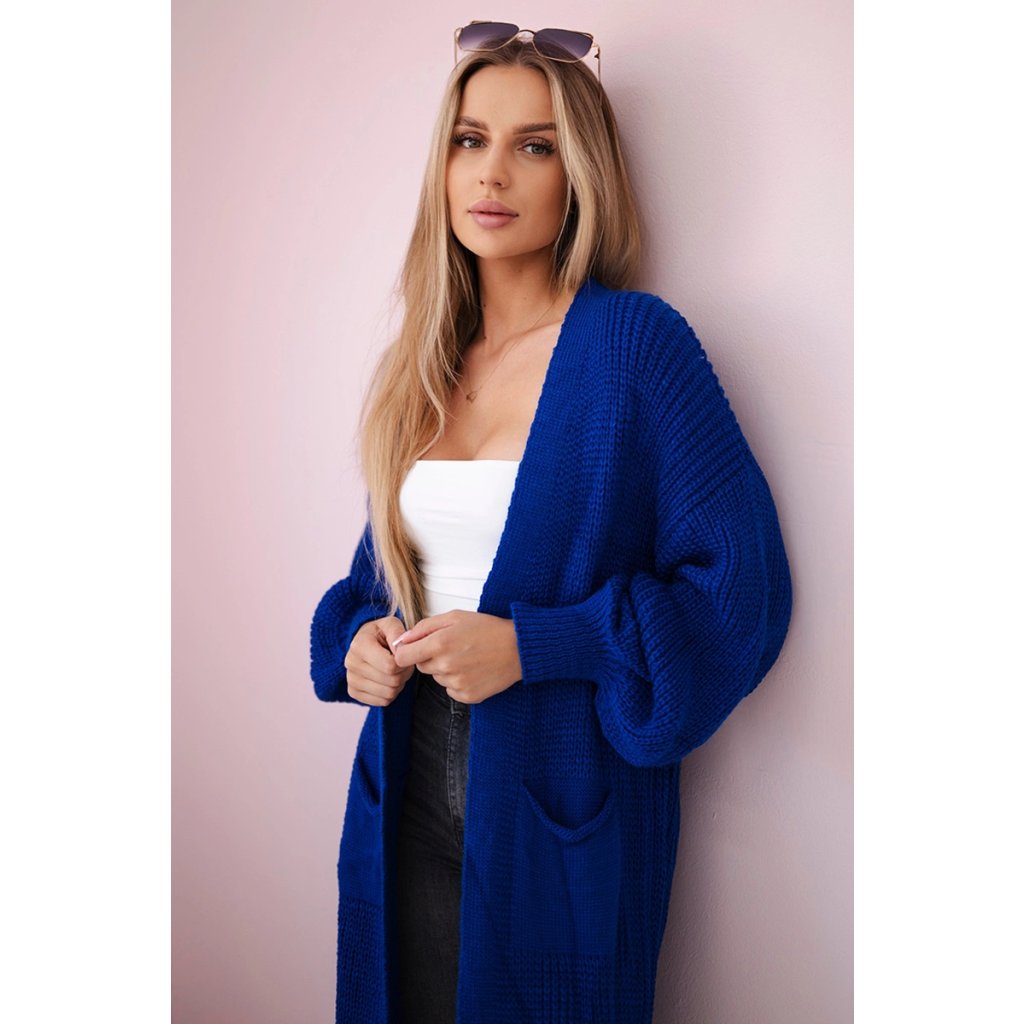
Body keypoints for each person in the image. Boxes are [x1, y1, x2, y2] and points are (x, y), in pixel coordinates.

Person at [309, 21, 793, 1024]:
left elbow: (740, 596)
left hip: (558, 799)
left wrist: (535, 646)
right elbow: (382, 576)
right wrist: (358, 640)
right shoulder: (422, 362)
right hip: (402, 778)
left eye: (534, 145)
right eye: (469, 140)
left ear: (581, 173)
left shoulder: (633, 347)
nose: (492, 173)